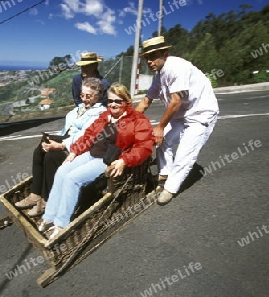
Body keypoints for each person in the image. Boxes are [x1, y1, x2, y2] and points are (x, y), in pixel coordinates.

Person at [39, 83, 154, 240]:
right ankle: (49, 216)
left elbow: (144, 147)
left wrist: (124, 160)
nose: (113, 104)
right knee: (61, 171)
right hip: (91, 154)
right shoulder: (104, 116)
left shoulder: (137, 120)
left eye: (118, 101)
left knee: (72, 179)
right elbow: (88, 136)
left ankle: (61, 224)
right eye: (110, 100)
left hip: (106, 160)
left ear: (126, 101)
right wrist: (74, 151)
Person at [135, 36, 219, 206]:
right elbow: (146, 101)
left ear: (165, 54)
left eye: (153, 56)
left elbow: (175, 101)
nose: (149, 61)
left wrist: (160, 126)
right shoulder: (158, 76)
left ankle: (170, 189)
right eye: (147, 58)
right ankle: (165, 174)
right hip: (182, 115)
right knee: (161, 140)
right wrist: (127, 120)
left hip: (200, 115)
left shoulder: (176, 67)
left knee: (185, 153)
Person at [15, 77, 107, 217]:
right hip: (67, 140)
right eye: (82, 95)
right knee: (40, 149)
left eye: (88, 96)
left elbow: (84, 137)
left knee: (51, 157)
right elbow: (65, 130)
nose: (84, 99)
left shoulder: (100, 113)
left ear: (98, 96)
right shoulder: (79, 109)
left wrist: (62, 144)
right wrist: (53, 140)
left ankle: (47, 201)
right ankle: (35, 194)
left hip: (80, 147)